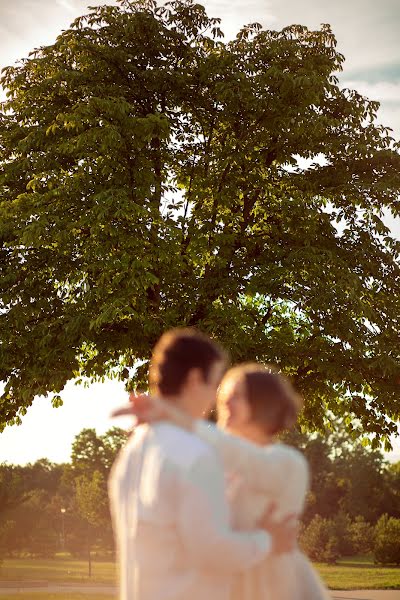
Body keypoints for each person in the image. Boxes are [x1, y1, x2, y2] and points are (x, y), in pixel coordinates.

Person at [115, 361, 331, 600]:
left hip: (275, 587)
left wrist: (173, 416)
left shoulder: (288, 463)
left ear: (264, 404)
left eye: (237, 396)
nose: (225, 402)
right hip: (224, 582)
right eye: (224, 395)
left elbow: (243, 458)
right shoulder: (213, 462)